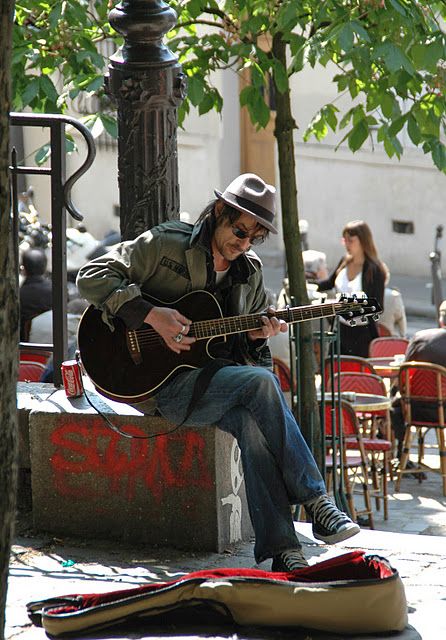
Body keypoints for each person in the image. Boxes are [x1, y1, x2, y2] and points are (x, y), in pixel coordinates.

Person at [77, 173, 360, 571]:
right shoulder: (166, 245)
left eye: (251, 237)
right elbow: (90, 276)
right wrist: (150, 315)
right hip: (158, 387)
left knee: (252, 425)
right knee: (263, 384)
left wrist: (259, 340)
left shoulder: (251, 273)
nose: (241, 243)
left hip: (213, 384)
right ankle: (316, 500)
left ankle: (282, 551)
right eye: (237, 229)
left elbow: (252, 364)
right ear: (218, 213)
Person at [316, 220, 386, 358]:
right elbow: (329, 283)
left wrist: (346, 307)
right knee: (334, 373)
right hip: (340, 330)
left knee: (358, 375)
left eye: (351, 240)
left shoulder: (374, 269)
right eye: (345, 240)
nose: (347, 244)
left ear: (363, 240)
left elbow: (378, 306)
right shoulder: (345, 261)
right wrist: (307, 284)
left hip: (362, 334)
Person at [391, 300, 446, 463]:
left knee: (395, 403)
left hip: (415, 409)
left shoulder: (421, 337)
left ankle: (401, 456)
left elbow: (403, 376)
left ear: (441, 320)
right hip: (445, 410)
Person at [19, 248, 52, 341]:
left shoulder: (19, 295)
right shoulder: (58, 291)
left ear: (24, 269)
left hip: (25, 346)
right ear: (45, 267)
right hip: (55, 343)